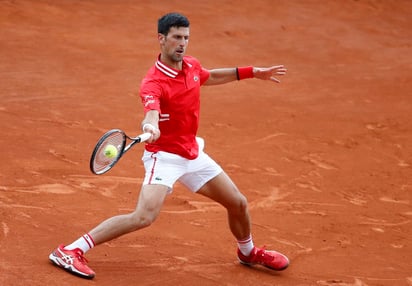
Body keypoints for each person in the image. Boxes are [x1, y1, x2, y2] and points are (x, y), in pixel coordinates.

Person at [49, 12, 289, 279]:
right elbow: (151, 111)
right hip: (164, 158)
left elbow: (209, 77)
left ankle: (247, 251)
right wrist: (150, 127)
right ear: (161, 40)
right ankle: (70, 250)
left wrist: (252, 73)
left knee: (238, 203)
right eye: (176, 37)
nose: (182, 43)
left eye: (186, 37)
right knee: (143, 216)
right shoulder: (153, 83)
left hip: (191, 153)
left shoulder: (192, 66)